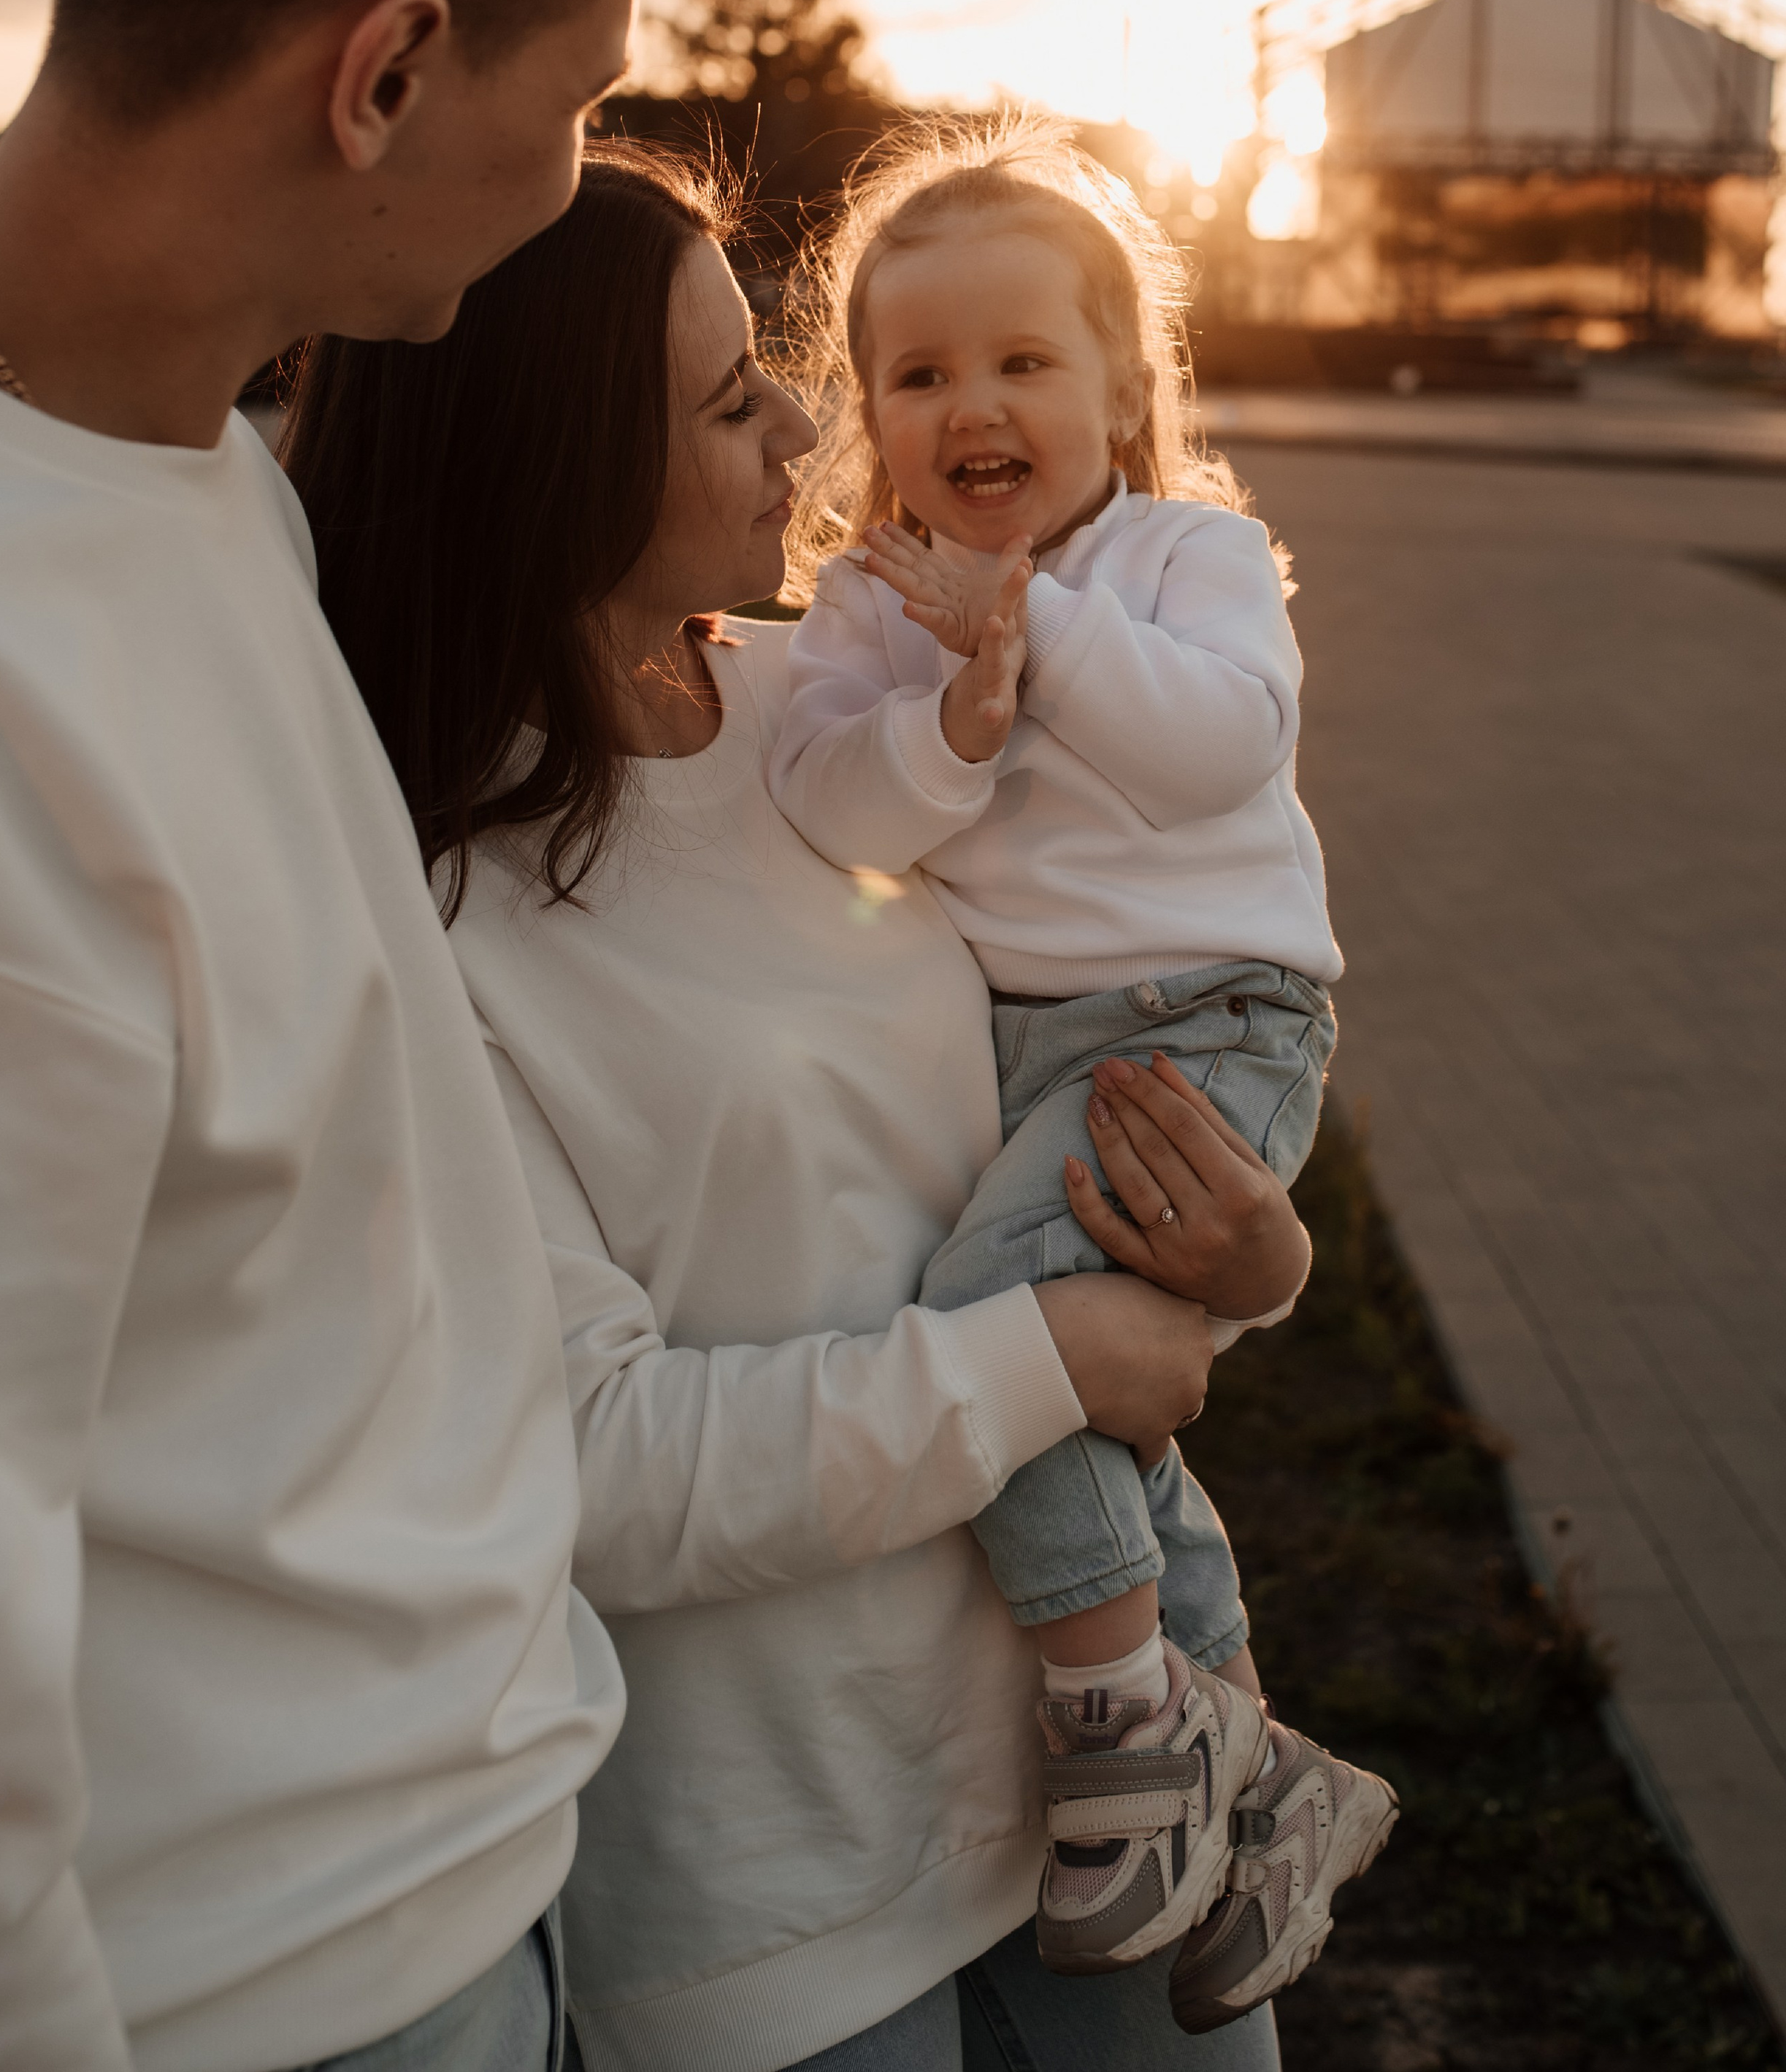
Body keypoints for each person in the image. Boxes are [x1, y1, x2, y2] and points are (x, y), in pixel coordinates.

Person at [283, 143, 1302, 2072]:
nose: (810, 424)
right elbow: (594, 1463)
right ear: (559, 454)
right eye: (729, 390)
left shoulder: (848, 719)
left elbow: (1038, 1123)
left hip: (1099, 1774)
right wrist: (1046, 1354)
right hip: (786, 1884)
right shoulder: (428, 908)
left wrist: (1249, 1261)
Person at [0, 0, 686, 2072]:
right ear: (385, 74)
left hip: (458, 1894)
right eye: (573, 111)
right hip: (261, 2005)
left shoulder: (201, 468)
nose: (572, 186)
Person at [767, 114, 1396, 2020]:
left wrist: (1031, 628)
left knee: (994, 1326)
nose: (974, 403)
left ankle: (1130, 1717)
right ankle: (1247, 1761)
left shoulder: (1187, 556)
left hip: (1210, 1019)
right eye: (921, 370)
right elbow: (825, 795)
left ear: (1125, 387)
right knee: (1083, 1410)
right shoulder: (877, 604)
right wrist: (949, 720)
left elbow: (1215, 752)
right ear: (867, 408)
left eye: (1025, 360)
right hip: (1032, 1043)